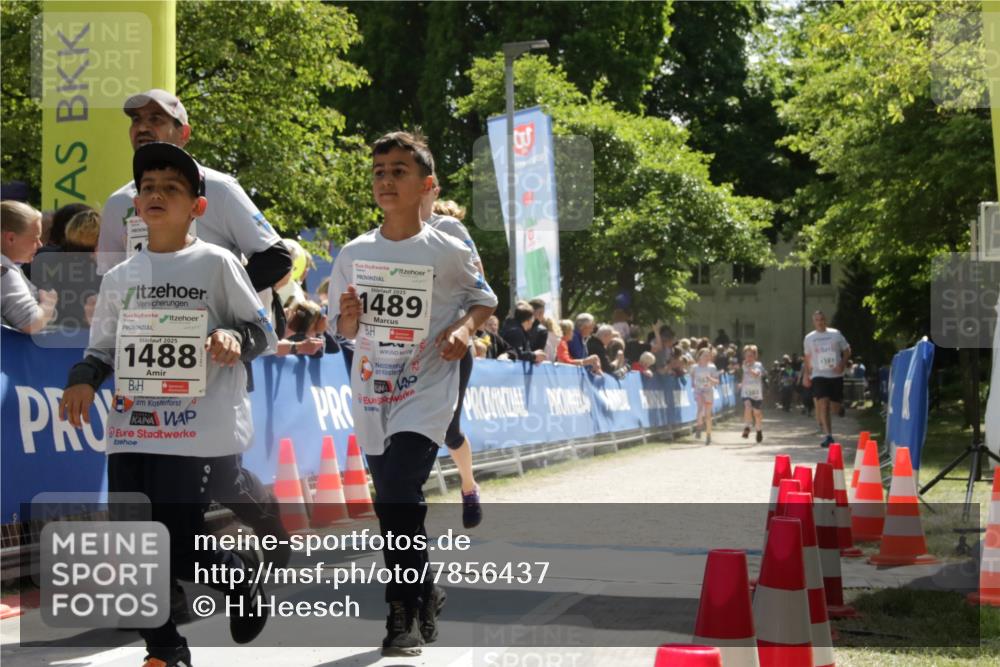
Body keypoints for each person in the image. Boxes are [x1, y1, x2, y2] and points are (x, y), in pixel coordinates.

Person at [60, 143, 278, 667]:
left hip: (194, 427)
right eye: (148, 187)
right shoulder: (119, 279)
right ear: (137, 204)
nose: (156, 194)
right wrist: (83, 379)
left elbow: (263, 331)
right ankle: (165, 651)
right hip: (132, 425)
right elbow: (103, 348)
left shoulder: (217, 261)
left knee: (179, 544)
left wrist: (232, 339)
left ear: (196, 208)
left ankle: (239, 575)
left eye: (171, 188)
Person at [95, 89, 293, 576]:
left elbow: (277, 256)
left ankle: (263, 518)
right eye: (137, 119)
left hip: (218, 347)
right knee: (158, 490)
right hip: (145, 362)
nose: (144, 126)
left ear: (182, 132)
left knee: (220, 474)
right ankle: (163, 605)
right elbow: (107, 274)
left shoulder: (219, 188)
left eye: (157, 119)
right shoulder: (122, 200)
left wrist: (214, 309)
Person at [328, 131, 497, 657]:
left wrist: (464, 331)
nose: (385, 180)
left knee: (400, 488)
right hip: (374, 390)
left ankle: (399, 613)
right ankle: (427, 591)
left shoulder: (448, 249)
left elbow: (484, 300)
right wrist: (349, 322)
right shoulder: (354, 253)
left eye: (398, 171)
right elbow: (340, 329)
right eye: (379, 172)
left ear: (425, 184)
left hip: (426, 388)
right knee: (395, 503)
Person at [421, 174, 486, 528]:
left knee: (449, 429)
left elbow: (481, 284)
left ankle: (468, 485)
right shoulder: (387, 234)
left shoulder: (450, 229)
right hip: (402, 350)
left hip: (450, 346)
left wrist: (463, 326)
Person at [1, 201, 58, 333]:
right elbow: (31, 323)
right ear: (10, 238)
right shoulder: (5, 272)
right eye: (35, 239)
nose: (40, 245)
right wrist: (49, 303)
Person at [803, 310, 851, 448]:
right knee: (823, 403)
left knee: (835, 408)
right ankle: (828, 436)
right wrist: (807, 374)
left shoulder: (835, 334)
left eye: (822, 319)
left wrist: (842, 364)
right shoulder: (809, 338)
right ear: (814, 322)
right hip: (818, 374)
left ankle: (840, 407)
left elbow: (847, 350)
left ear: (826, 320)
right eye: (817, 320)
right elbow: (807, 357)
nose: (820, 322)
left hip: (835, 375)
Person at [691, 347, 721, 445]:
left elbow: (717, 381)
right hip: (699, 391)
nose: (707, 357)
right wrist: (692, 383)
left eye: (709, 356)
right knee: (700, 408)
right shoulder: (694, 367)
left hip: (708, 391)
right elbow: (691, 376)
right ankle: (699, 426)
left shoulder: (712, 367)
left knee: (708, 415)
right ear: (699, 356)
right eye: (705, 355)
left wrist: (710, 379)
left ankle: (708, 435)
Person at [740, 344, 765, 443]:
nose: (748, 358)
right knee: (747, 406)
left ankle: (759, 430)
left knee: (757, 414)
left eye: (751, 356)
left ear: (755, 356)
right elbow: (744, 376)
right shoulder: (744, 365)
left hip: (756, 393)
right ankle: (747, 427)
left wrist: (749, 368)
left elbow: (755, 374)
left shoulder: (758, 365)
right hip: (746, 392)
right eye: (746, 356)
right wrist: (741, 384)